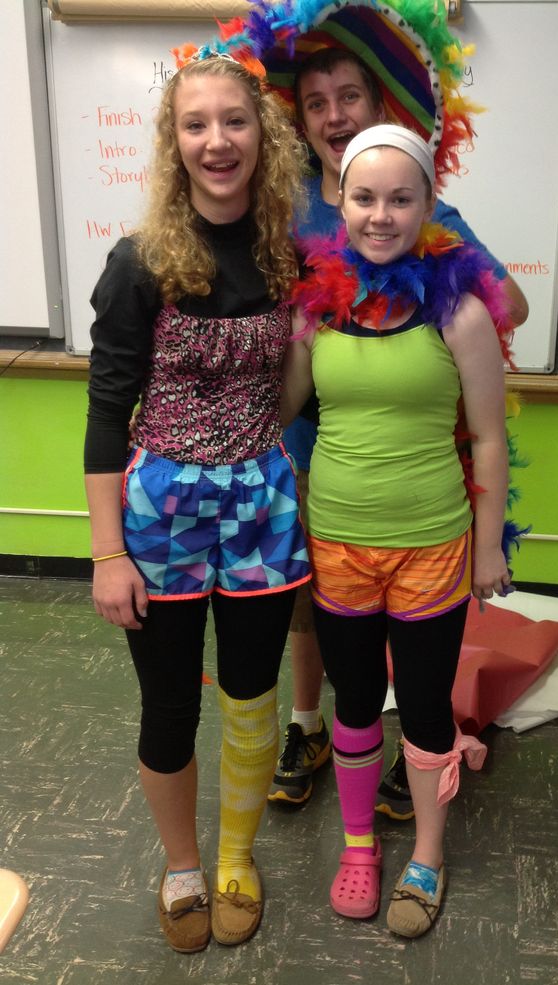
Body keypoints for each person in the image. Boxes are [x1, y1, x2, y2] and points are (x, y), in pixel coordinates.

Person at [83, 49, 309, 953]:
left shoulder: (291, 255)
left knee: (254, 697)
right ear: (174, 144)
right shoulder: (139, 263)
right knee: (170, 706)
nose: (218, 140)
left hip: (261, 508)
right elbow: (106, 417)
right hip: (158, 521)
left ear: (264, 134)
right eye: (196, 124)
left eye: (235, 120)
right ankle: (182, 864)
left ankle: (236, 860)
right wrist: (106, 554)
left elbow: (291, 391)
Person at [267, 44, 528, 817]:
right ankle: (310, 726)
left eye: (349, 96)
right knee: (317, 608)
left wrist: (435, 316)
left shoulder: (422, 206)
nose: (334, 114)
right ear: (301, 120)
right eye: (316, 103)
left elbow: (507, 305)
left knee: (416, 620)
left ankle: (416, 742)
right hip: (314, 448)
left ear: (379, 108)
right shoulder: (281, 206)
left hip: (409, 453)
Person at [281, 123, 513, 937]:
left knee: (419, 705)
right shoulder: (316, 312)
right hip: (337, 541)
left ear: (427, 205)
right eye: (365, 197)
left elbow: (488, 436)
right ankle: (356, 847)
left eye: (401, 198)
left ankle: (426, 851)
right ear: (338, 202)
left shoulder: (461, 314)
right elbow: (278, 412)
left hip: (432, 546)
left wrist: (487, 548)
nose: (381, 215)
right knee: (352, 703)